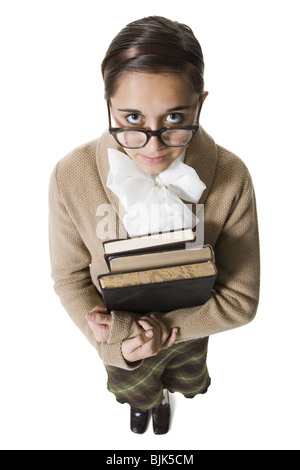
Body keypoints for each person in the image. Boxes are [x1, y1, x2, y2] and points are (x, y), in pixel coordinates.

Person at [49, 16, 260, 435]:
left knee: (183, 376)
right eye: (131, 119)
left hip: (191, 331)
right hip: (116, 339)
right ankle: (145, 403)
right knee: (135, 389)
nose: (153, 145)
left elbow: (240, 300)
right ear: (108, 104)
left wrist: (165, 331)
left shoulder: (232, 177)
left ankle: (166, 399)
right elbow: (70, 277)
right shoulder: (71, 175)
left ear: (200, 103)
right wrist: (119, 342)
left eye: (175, 119)